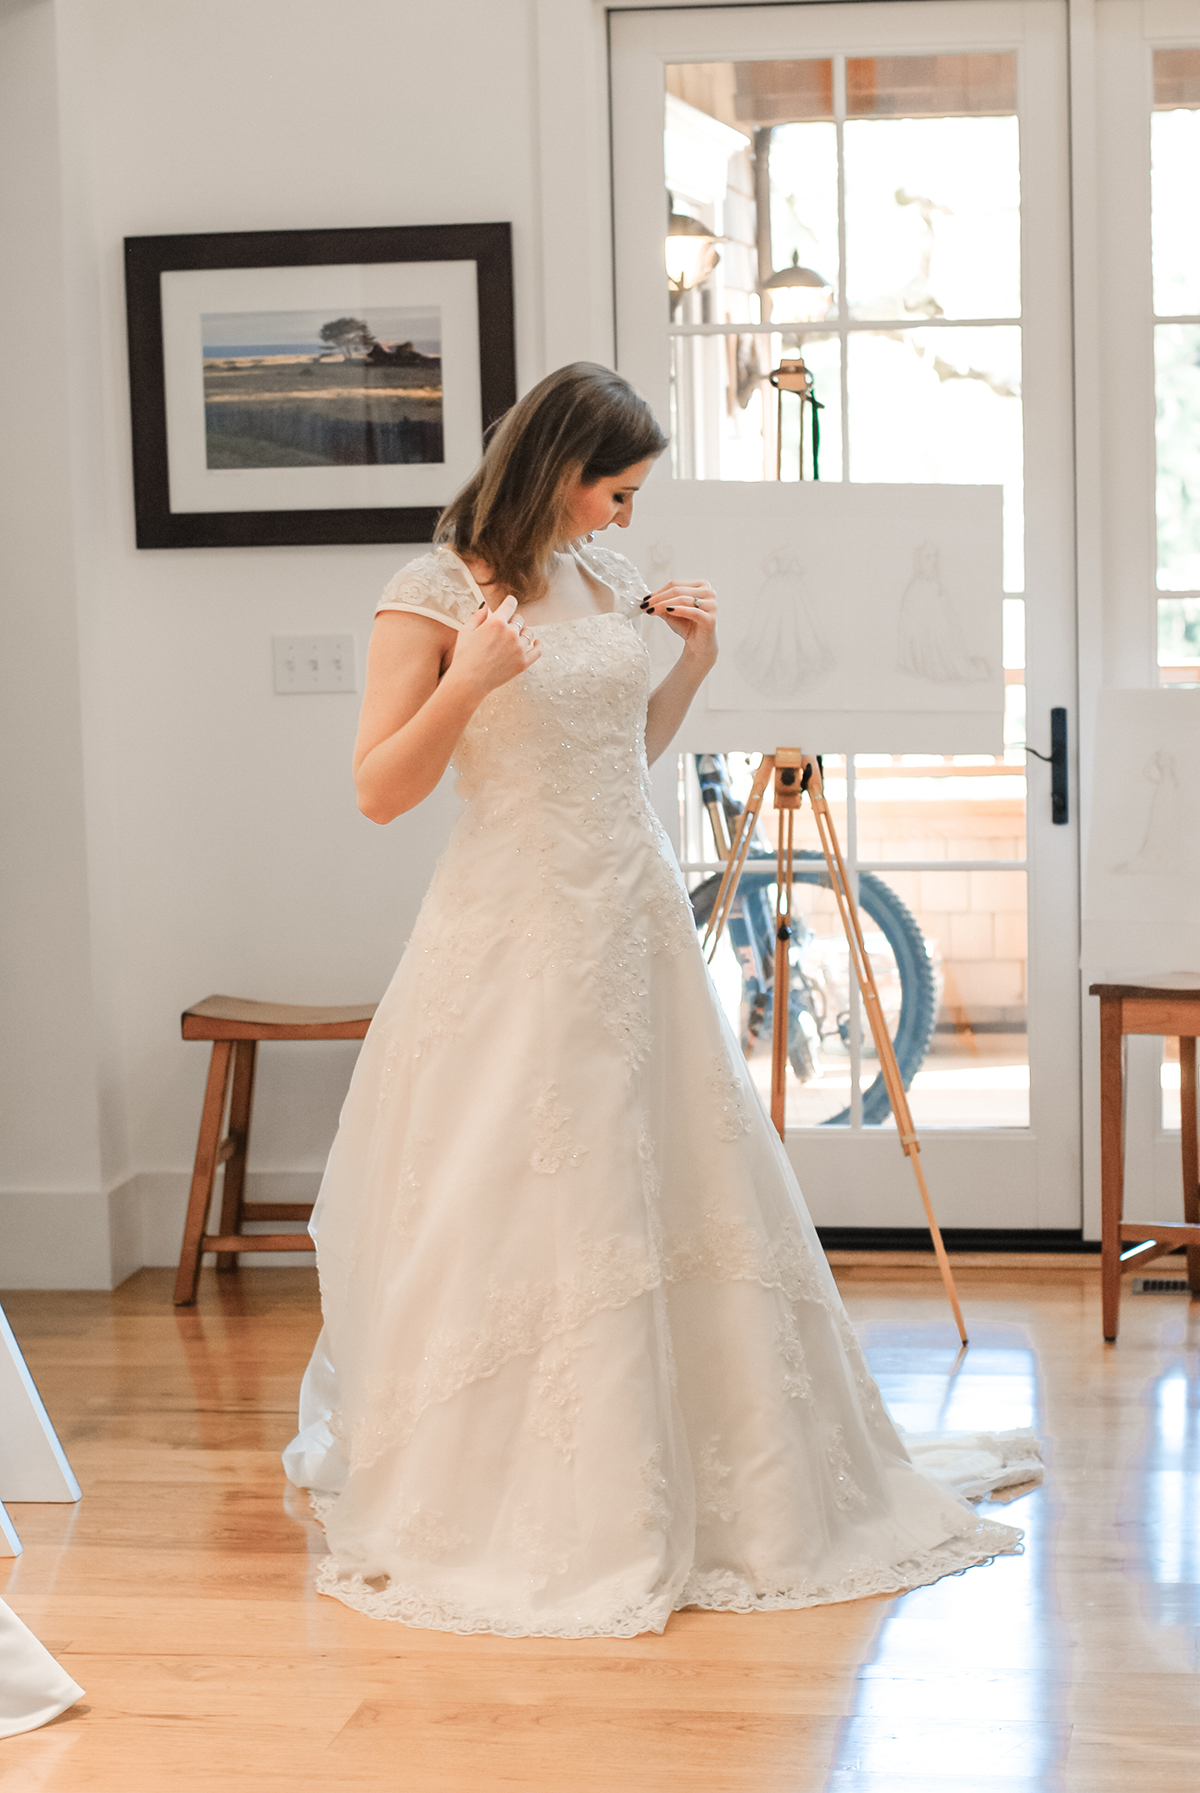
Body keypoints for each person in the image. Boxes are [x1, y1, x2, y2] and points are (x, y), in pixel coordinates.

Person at [283, 362, 1038, 1638]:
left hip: (630, 915)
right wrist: (468, 679)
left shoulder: (609, 579)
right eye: (616, 491)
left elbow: (615, 751)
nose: (628, 518)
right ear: (555, 469)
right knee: (527, 1185)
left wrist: (690, 662)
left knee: (671, 1170)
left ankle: (710, 1465)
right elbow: (376, 789)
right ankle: (528, 1490)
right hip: (510, 927)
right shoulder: (432, 592)